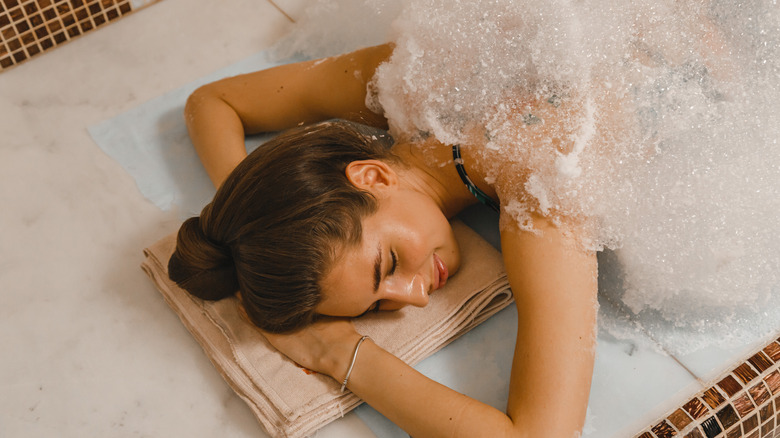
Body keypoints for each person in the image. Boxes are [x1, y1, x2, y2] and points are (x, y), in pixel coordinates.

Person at [169, 43, 598, 437]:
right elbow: (210, 102)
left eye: (389, 264)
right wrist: (264, 223)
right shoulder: (415, 79)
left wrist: (340, 355)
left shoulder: (541, 181)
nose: (415, 299)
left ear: (372, 176)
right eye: (377, 305)